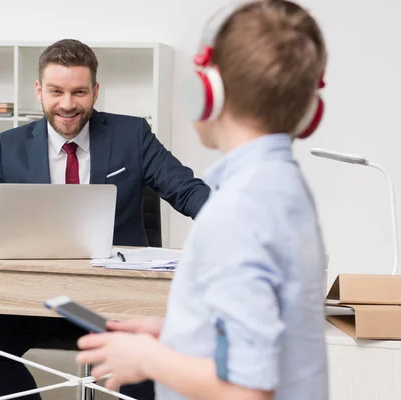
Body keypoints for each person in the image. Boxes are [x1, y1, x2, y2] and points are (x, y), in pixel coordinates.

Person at [0, 38, 211, 400]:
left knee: (143, 374)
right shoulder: (11, 146)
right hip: (39, 295)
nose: (67, 104)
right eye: (56, 91)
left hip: (116, 297)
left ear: (95, 91)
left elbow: (186, 189)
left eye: (79, 92)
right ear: (39, 90)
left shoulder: (133, 135)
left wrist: (228, 220)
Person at [76, 1, 329, 399]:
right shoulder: (280, 186)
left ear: (207, 90)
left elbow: (247, 391)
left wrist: (148, 358)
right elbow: (266, 332)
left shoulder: (238, 210)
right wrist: (178, 332)